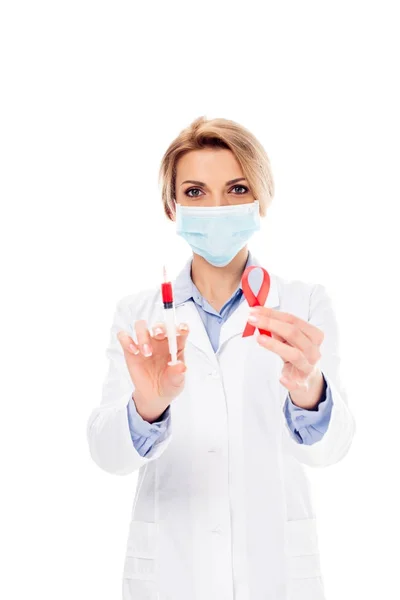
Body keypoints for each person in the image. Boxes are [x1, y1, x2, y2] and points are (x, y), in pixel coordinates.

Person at [86, 116, 356, 600]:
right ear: (172, 207)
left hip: (275, 571)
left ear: (261, 201)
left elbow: (329, 451)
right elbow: (107, 456)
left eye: (236, 188)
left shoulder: (304, 304)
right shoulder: (138, 314)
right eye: (194, 192)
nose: (216, 207)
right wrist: (147, 408)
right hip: (171, 571)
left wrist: (308, 390)